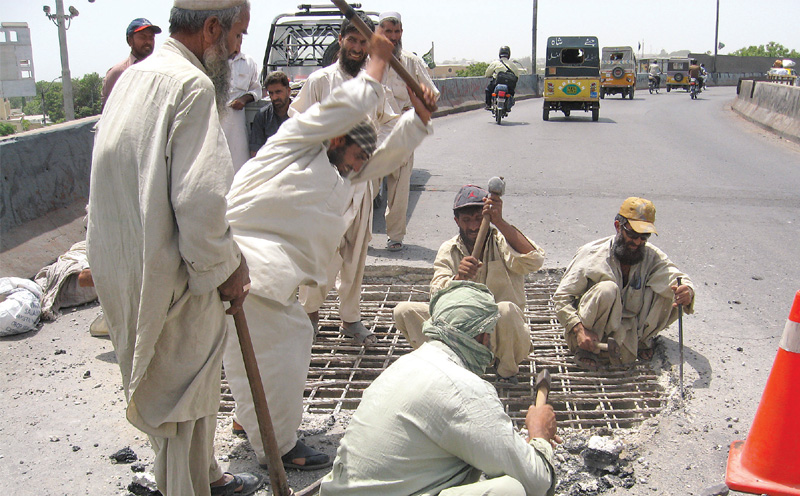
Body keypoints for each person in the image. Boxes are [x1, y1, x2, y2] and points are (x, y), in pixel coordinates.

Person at [86, 0, 268, 496]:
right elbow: (200, 201)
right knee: (181, 402)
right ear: (212, 28)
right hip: (170, 270)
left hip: (126, 265)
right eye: (237, 36)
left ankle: (209, 479)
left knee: (181, 387)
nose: (238, 51)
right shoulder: (190, 87)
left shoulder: (135, 78)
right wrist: (229, 267)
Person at [223, 30, 435, 472]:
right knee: (287, 346)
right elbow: (348, 107)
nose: (360, 167)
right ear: (337, 139)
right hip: (244, 267)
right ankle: (277, 447)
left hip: (266, 280)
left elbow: (382, 157)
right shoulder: (295, 143)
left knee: (250, 354)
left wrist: (417, 119)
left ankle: (252, 421)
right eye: (356, 155)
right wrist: (377, 61)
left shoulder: (342, 173)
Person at [280, 282, 559, 496]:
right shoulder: (462, 388)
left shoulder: (405, 366)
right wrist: (539, 436)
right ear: (483, 337)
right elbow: (538, 481)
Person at [291, 14, 401, 347]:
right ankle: (309, 313)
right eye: (350, 40)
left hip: (361, 182)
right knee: (321, 250)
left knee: (356, 252)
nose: (355, 47)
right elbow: (297, 120)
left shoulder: (375, 85)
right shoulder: (320, 81)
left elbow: (390, 122)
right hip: (325, 181)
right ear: (340, 41)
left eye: (362, 42)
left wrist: (373, 153)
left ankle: (350, 317)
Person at [393, 184, 545, 382]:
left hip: (496, 330)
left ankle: (506, 371)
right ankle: (445, 364)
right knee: (403, 311)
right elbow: (435, 293)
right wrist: (458, 279)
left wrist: (499, 221)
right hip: (458, 329)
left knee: (506, 309)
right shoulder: (449, 249)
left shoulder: (503, 240)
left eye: (478, 219)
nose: (473, 227)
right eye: (466, 220)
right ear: (457, 221)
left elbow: (534, 261)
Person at [553, 197, 695, 369]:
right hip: (589, 334)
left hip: (627, 330)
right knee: (607, 289)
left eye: (644, 237)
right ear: (618, 227)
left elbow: (675, 276)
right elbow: (561, 298)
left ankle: (642, 341)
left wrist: (686, 291)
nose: (637, 242)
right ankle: (587, 351)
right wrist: (578, 329)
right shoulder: (592, 254)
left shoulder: (651, 256)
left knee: (672, 293)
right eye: (633, 235)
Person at [375, 11, 440, 252]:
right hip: (372, 132)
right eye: (387, 31)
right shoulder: (369, 61)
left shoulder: (411, 62)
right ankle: (360, 238)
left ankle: (395, 236)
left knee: (399, 188)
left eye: (396, 31)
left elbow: (431, 94)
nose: (392, 37)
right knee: (364, 191)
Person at [101, 18, 162, 108]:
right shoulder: (118, 72)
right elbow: (107, 110)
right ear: (130, 41)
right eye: (143, 37)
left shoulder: (161, 69)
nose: (148, 42)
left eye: (151, 37)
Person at [220, 46, 261, 172]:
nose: (238, 41)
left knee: (239, 165)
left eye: (240, 36)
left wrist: (244, 99)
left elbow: (257, 90)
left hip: (237, 122)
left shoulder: (249, 62)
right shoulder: (214, 60)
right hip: (217, 119)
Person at [249, 70, 291, 157]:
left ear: (288, 91)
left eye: (278, 92)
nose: (274, 97)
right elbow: (255, 153)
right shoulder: (262, 116)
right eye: (271, 93)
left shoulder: (299, 113)